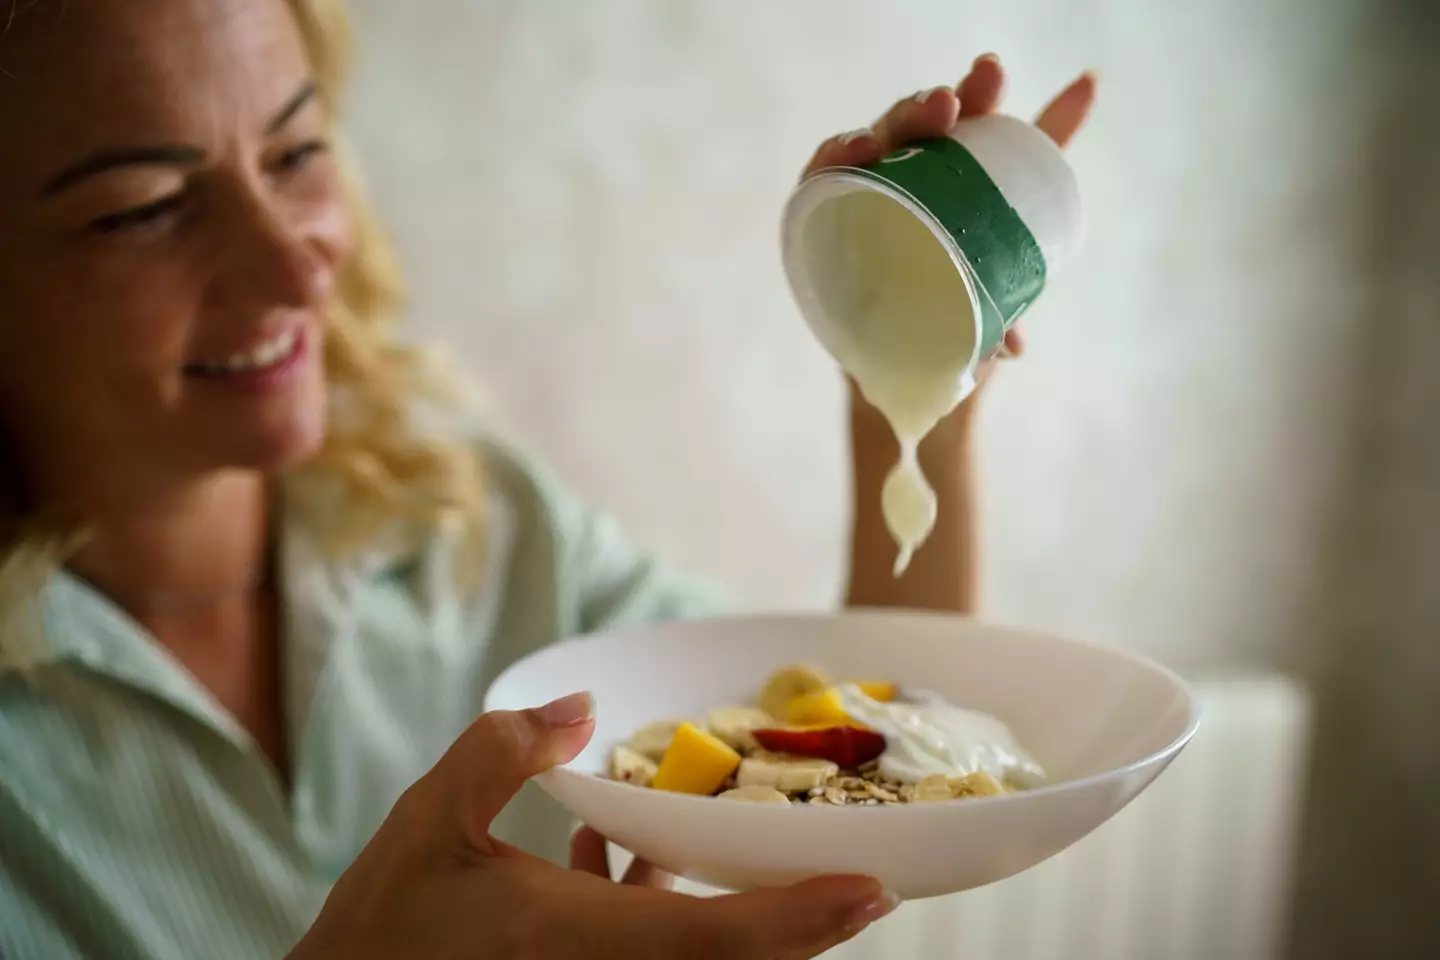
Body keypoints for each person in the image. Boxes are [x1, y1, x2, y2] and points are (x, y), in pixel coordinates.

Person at [0, 0, 1096, 957]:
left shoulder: (478, 523)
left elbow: (881, 732)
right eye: (142, 206)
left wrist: (912, 385)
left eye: (295, 154)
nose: (296, 265)